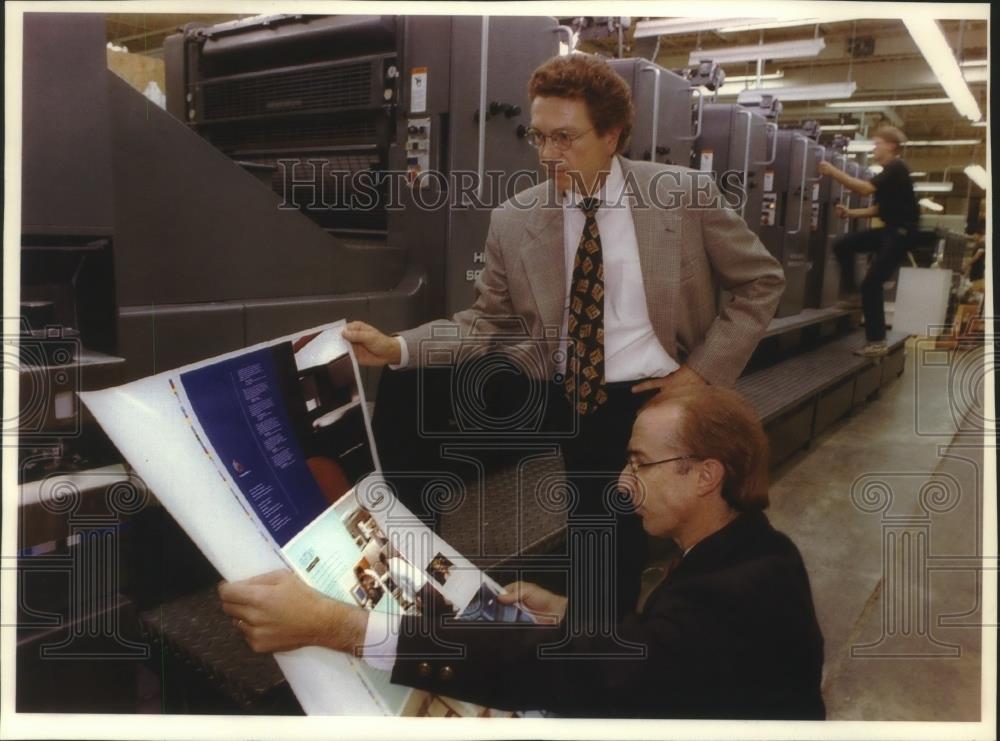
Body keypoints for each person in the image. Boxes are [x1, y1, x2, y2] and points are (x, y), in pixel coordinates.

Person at [343, 54, 785, 617]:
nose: (549, 154)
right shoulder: (516, 217)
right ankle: (416, 580)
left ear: (612, 136)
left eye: (566, 138)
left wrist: (700, 375)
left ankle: (599, 636)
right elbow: (488, 323)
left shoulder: (683, 196)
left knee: (606, 524)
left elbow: (761, 283)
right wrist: (398, 347)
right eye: (539, 136)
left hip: (645, 393)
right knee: (413, 389)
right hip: (551, 381)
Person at [218, 386, 826, 719]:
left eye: (640, 463)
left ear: (705, 476)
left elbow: (591, 674)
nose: (621, 482)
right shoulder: (752, 554)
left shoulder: (736, 591)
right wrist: (569, 618)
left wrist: (341, 626)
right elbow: (665, 651)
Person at [818, 125, 919, 357]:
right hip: (891, 230)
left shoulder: (896, 167)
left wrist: (833, 171)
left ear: (891, 146)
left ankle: (877, 342)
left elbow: (864, 190)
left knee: (872, 285)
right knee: (843, 244)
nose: (874, 147)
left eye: (877, 143)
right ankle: (853, 295)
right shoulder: (889, 171)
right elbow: (880, 209)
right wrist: (851, 213)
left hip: (901, 234)